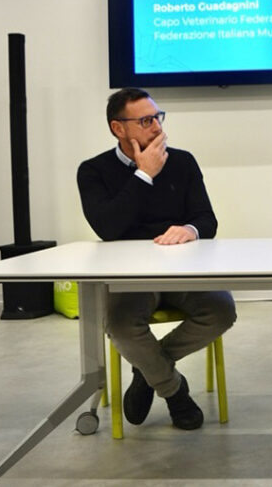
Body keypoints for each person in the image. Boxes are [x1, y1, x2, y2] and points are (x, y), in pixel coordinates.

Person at [77, 88, 237, 431]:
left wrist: (190, 229)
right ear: (118, 128)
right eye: (146, 120)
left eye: (158, 117)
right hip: (130, 276)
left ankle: (146, 369)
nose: (157, 127)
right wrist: (144, 174)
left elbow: (207, 219)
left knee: (221, 310)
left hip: (182, 269)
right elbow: (108, 227)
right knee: (120, 325)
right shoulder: (93, 171)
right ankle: (174, 392)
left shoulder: (183, 162)